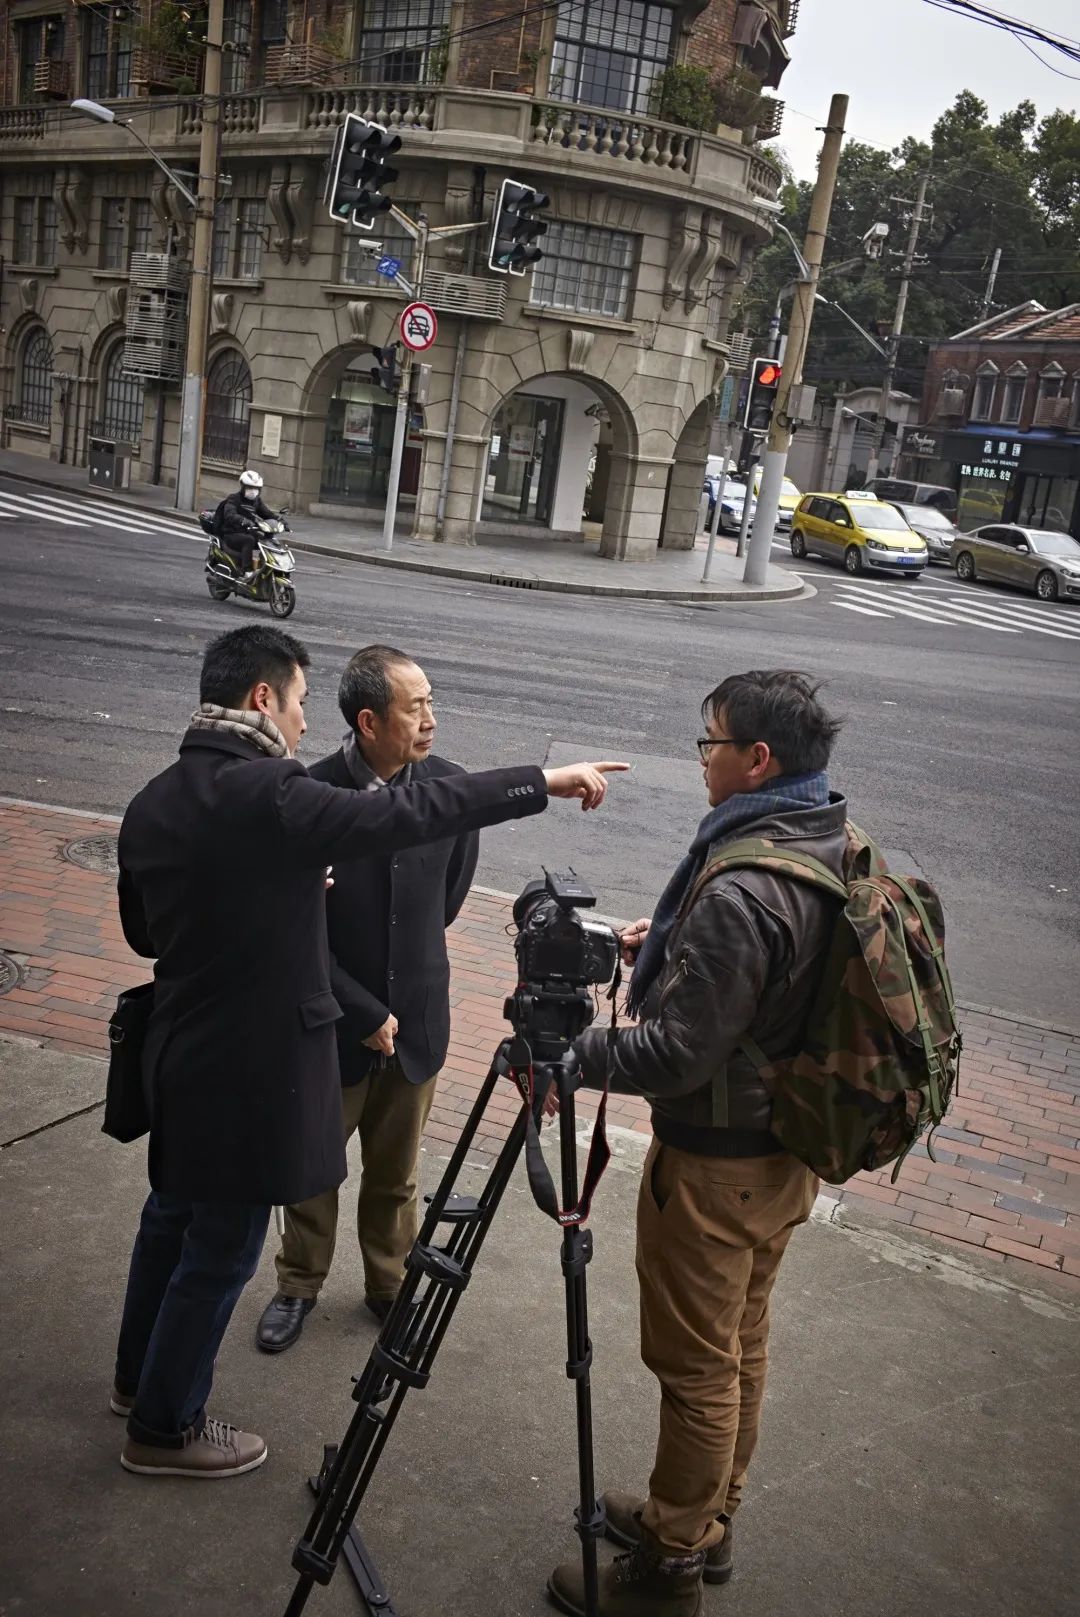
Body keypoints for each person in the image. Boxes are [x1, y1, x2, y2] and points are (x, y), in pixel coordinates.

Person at [112, 622, 626, 1481]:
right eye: (303, 703)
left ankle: (137, 1382)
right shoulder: (273, 793)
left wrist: (271, 894)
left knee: (169, 1219)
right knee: (226, 1248)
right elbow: (409, 810)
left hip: (174, 1051)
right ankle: (164, 1427)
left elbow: (143, 931)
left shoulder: (155, 799)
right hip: (246, 1069)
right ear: (261, 699)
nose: (306, 724)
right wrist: (542, 779)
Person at [548, 670, 846, 1617]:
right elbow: (765, 983)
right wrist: (675, 953)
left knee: (696, 1369)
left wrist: (569, 1052)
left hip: (719, 1165)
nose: (701, 757)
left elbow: (679, 1053)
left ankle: (670, 1563)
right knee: (740, 1345)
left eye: (709, 741)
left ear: (758, 759)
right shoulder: (822, 832)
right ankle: (708, 1515)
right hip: (784, 1151)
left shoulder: (742, 883)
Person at [256, 645, 479, 1351]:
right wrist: (361, 1010)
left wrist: (399, 1000)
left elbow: (445, 901)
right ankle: (298, 1284)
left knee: (398, 1172)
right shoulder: (310, 794)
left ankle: (389, 1285)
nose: (430, 720)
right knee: (312, 1166)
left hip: (418, 1018)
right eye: (415, 708)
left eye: (431, 703)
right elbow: (296, 927)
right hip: (328, 1022)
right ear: (367, 720)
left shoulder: (448, 789)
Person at [215, 469, 277, 577]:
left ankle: (265, 568)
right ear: (243, 487)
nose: (253, 491)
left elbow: (267, 514)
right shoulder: (234, 499)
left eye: (256, 488)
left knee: (267, 541)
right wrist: (243, 520)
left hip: (248, 531)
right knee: (249, 540)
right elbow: (230, 515)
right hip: (231, 533)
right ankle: (247, 571)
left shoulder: (256, 501)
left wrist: (280, 521)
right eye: (250, 487)